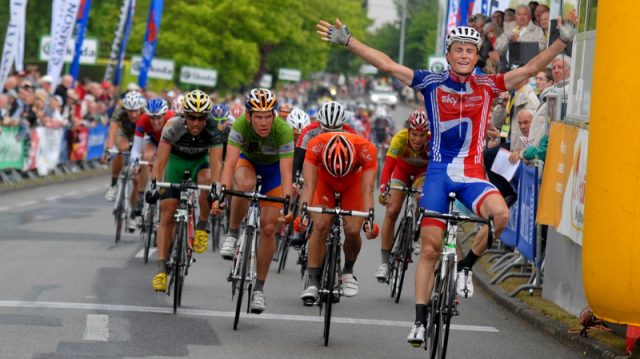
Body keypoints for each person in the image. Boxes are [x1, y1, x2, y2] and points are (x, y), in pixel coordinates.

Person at [315, 13, 576, 347]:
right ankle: (420, 322)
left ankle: (466, 266)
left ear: (477, 56)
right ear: (449, 54)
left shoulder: (488, 85)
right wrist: (350, 41)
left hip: (471, 175)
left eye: (470, 49)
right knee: (429, 249)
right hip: (437, 175)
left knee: (501, 215)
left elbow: (529, 69)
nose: (465, 54)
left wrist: (562, 42)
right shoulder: (430, 82)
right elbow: (388, 65)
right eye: (458, 49)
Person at [215, 88, 294, 314]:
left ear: (274, 115)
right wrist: (222, 194)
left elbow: (287, 173)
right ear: (249, 116)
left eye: (268, 116)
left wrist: (287, 205)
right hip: (247, 164)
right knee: (246, 185)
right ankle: (231, 233)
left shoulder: (283, 131)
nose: (263, 122)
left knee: (269, 228)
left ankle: (259, 288)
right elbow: (229, 165)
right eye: (258, 117)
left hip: (274, 174)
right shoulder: (240, 125)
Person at [149, 90, 224, 292]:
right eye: (192, 117)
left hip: (200, 163)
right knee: (167, 214)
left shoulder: (214, 128)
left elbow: (217, 164)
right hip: (176, 163)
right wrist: (154, 184)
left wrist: (217, 189)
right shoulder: (172, 126)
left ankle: (201, 226)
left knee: (208, 180)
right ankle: (161, 270)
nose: (196, 123)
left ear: (207, 117)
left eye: (201, 118)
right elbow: (161, 160)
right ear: (185, 115)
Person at [297, 132, 379, 305]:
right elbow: (309, 187)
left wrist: (369, 221)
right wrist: (303, 216)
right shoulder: (315, 145)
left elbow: (368, 190)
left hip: (353, 182)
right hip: (324, 181)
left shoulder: (366, 149)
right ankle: (312, 280)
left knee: (352, 229)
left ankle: (348, 270)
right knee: (320, 224)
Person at [375, 110, 430, 281]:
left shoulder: (432, 141)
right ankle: (384, 263)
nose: (417, 139)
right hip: (402, 171)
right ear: (408, 131)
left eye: (422, 135)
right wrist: (384, 188)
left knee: (424, 199)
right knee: (392, 211)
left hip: (423, 173)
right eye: (414, 134)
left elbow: (437, 169)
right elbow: (388, 166)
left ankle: (415, 234)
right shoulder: (399, 138)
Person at [102, 91, 145, 232]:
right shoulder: (119, 112)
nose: (133, 114)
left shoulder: (146, 114)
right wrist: (108, 150)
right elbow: (112, 132)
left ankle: (133, 214)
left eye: (135, 111)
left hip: (141, 135)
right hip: (125, 133)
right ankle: (114, 184)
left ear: (141, 108)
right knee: (121, 149)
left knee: (137, 180)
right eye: (130, 111)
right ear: (125, 109)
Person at [130, 98, 175, 218]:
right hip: (153, 141)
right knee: (146, 157)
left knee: (167, 163)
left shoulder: (173, 119)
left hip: (169, 143)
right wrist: (135, 165)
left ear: (164, 115)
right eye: (152, 118)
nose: (155, 122)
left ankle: (164, 193)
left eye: (158, 118)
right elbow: (136, 149)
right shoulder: (143, 120)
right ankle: (140, 198)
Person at [293, 101, 357, 177]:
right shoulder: (309, 131)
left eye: (335, 129)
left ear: (342, 125)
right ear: (320, 123)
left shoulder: (351, 133)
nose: (330, 132)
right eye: (326, 129)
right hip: (317, 168)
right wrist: (295, 179)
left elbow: (357, 164)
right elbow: (299, 156)